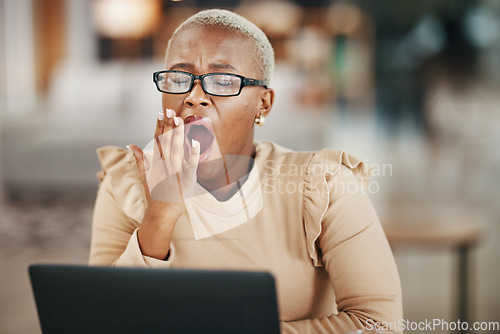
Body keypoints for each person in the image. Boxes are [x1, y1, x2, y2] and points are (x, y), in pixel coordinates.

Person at [89, 9, 402, 333]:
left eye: (223, 80)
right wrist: (159, 217)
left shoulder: (322, 185)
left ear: (263, 103)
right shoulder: (125, 181)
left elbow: (379, 324)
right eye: (180, 78)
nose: (195, 97)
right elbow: (101, 323)